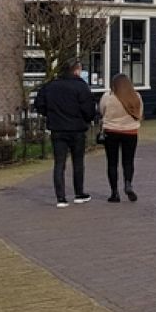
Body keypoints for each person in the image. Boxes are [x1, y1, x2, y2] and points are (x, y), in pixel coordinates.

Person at [32, 59, 98, 207]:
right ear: (76, 70)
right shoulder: (81, 87)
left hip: (58, 129)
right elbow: (89, 109)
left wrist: (51, 115)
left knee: (59, 163)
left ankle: (61, 198)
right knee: (78, 162)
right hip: (77, 129)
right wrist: (85, 119)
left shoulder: (50, 86)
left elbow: (39, 104)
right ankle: (79, 194)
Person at [98, 73, 142, 203]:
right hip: (131, 131)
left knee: (112, 162)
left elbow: (102, 110)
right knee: (128, 160)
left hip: (111, 131)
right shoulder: (136, 96)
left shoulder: (108, 97)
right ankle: (128, 183)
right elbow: (140, 113)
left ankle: (114, 192)